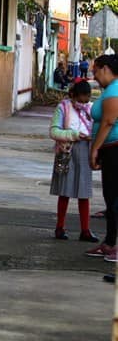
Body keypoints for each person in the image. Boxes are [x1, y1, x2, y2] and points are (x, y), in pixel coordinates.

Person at [49, 80, 98, 242]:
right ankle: (60, 227)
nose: (83, 104)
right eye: (80, 100)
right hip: (67, 151)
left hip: (85, 150)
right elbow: (54, 131)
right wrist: (74, 135)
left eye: (86, 100)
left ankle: (85, 230)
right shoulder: (63, 107)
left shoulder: (91, 109)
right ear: (73, 95)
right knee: (65, 191)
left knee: (84, 192)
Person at [86, 54, 118, 264]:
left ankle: (114, 245)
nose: (94, 77)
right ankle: (109, 242)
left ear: (105, 69)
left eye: (96, 71)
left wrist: (94, 149)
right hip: (110, 150)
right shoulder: (111, 89)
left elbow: (108, 121)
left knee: (115, 198)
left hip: (114, 149)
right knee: (110, 197)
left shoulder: (114, 90)